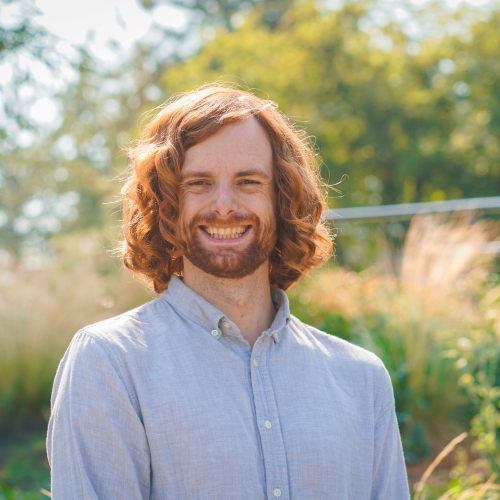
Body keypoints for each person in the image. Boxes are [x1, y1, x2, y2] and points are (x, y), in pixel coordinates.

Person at [47, 84, 410, 499]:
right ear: (166, 203)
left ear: (282, 197)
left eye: (248, 181)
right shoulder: (110, 364)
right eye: (198, 182)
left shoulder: (362, 379)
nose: (223, 205)